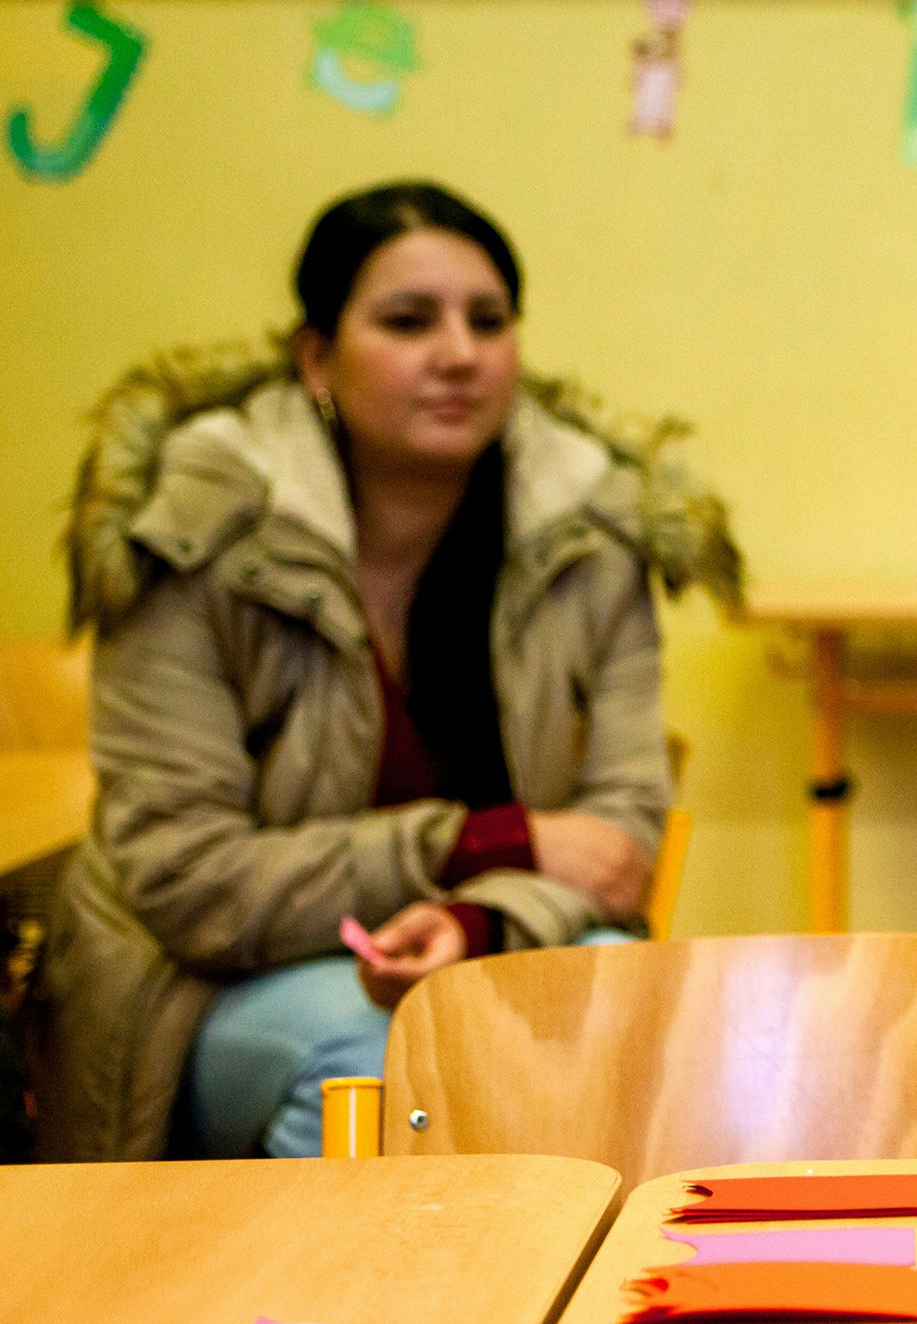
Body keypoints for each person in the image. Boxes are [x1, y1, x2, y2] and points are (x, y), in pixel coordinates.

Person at [38, 182, 739, 1161]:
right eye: (410, 320)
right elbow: (189, 879)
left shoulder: (590, 528)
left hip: (484, 938)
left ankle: (591, 1309)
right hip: (208, 982)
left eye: (487, 320)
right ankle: (330, 1315)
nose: (459, 351)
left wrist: (478, 916)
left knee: (642, 1008)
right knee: (378, 1057)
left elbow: (616, 843)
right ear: (316, 356)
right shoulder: (194, 535)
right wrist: (486, 841)